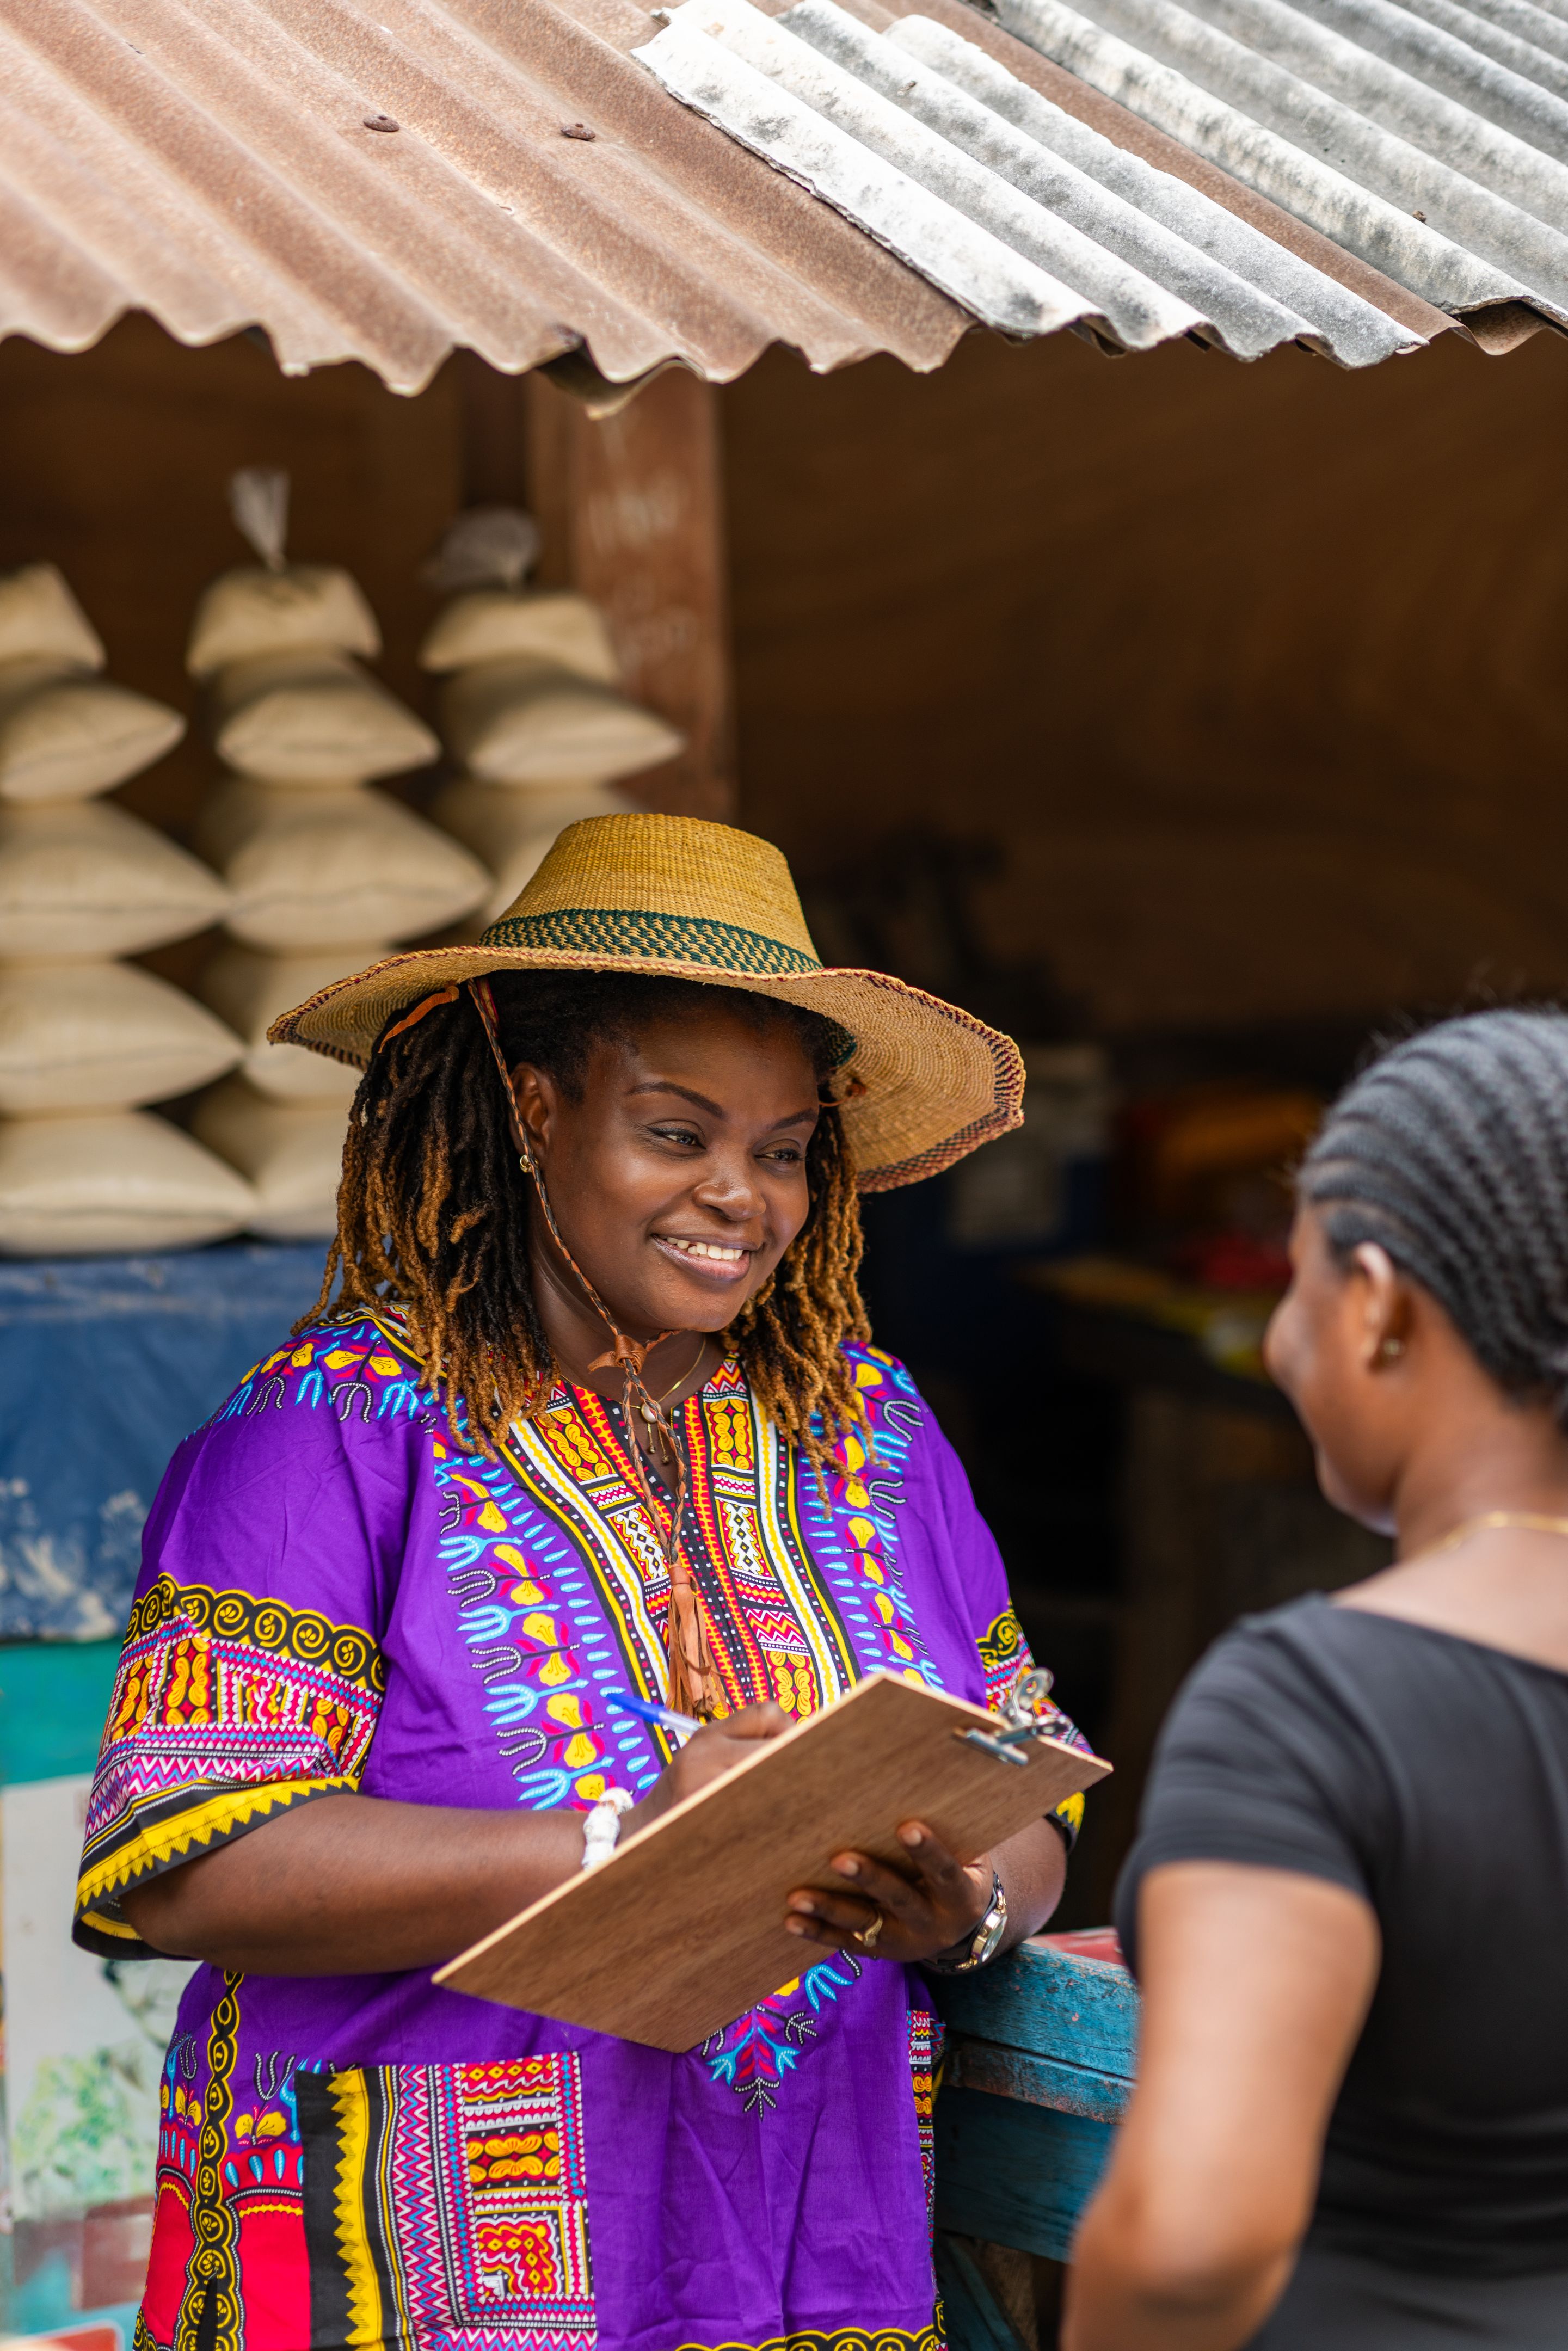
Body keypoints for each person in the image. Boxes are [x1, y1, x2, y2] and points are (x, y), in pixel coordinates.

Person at [77, 813, 1091, 2351]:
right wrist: (625, 1841)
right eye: (676, 1134)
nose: (740, 1197)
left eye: (784, 1152)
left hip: (811, 2244)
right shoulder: (332, 1434)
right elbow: (187, 1863)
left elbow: (1024, 1785)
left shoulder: (867, 1429)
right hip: (419, 2262)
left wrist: (958, 1910)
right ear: (532, 1107)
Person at [1066, 1008, 1568, 2351]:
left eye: (1297, 1284)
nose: (1281, 1341)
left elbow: (1186, 2243)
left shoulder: (1314, 1704)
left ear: (1382, 1306)